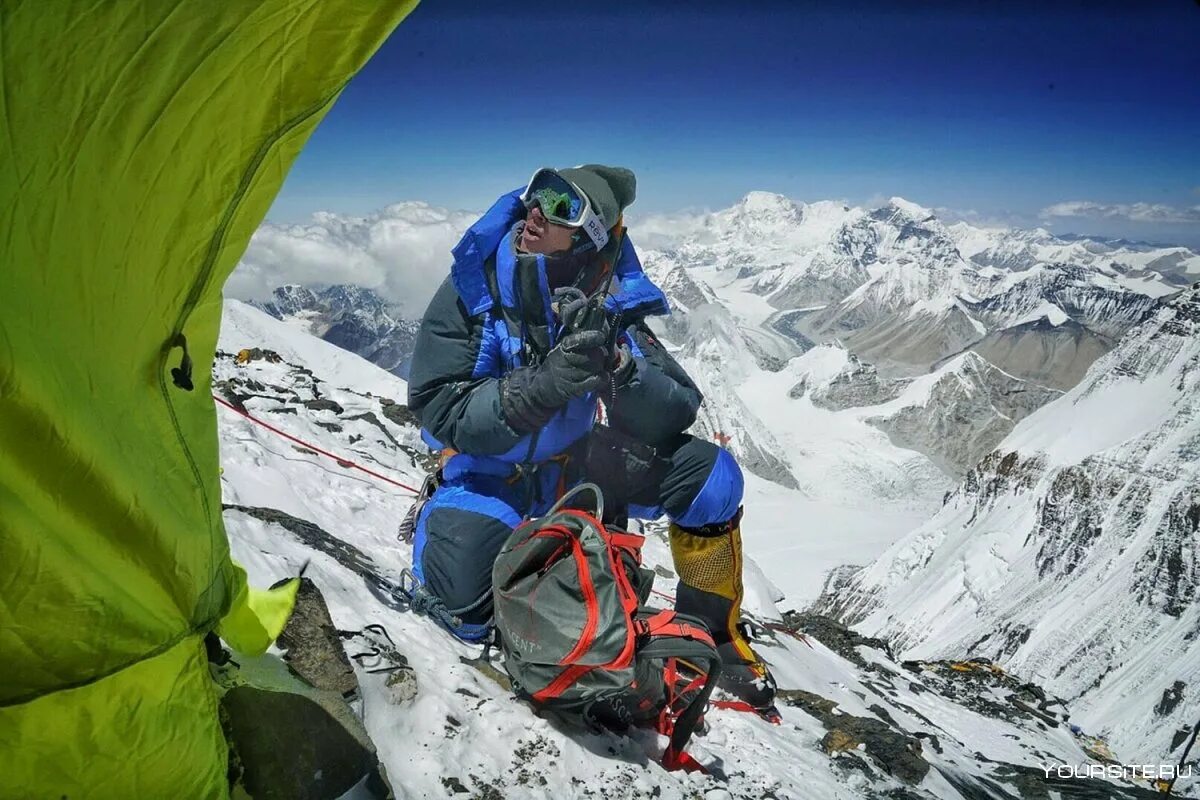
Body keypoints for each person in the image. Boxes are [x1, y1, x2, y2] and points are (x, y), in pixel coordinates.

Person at [406, 165, 777, 710]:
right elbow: (441, 408)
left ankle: (714, 635)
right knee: (462, 606)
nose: (537, 210)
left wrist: (624, 370)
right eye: (539, 194)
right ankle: (456, 532)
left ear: (591, 235)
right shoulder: (476, 286)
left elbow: (678, 407)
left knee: (711, 480)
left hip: (575, 465)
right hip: (490, 473)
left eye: (563, 206)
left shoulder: (608, 297)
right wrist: (542, 386)